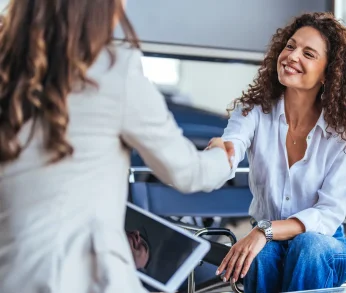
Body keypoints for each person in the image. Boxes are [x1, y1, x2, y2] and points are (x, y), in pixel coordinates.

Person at [0, 0, 232, 292]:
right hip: (84, 280)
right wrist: (223, 157)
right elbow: (187, 173)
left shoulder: (7, 68)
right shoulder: (112, 70)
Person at [213, 12, 346, 292]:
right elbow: (233, 145)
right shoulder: (253, 112)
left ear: (329, 73)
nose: (292, 56)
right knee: (261, 255)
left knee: (308, 246)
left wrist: (264, 230)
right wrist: (222, 152)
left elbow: (328, 214)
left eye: (308, 53)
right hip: (270, 242)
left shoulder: (342, 135)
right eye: (290, 46)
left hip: (326, 246)